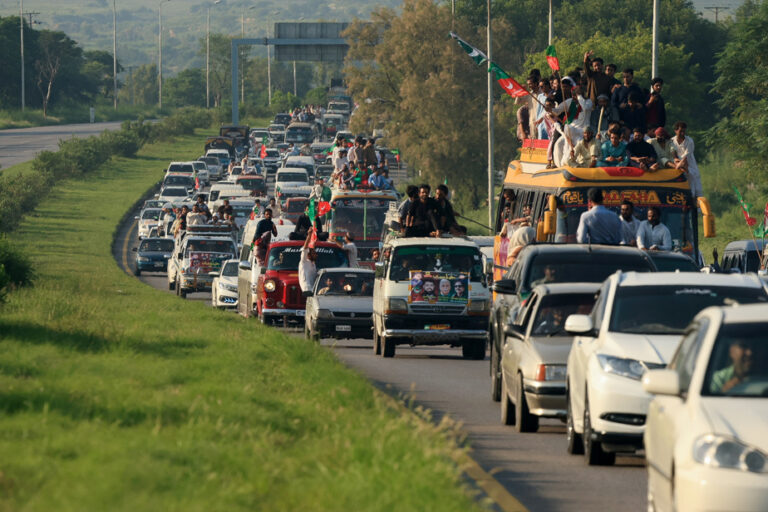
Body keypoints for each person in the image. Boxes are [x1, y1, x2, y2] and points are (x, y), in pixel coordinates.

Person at [671, 121, 703, 198]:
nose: (682, 133)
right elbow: (672, 152)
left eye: (684, 131)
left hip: (690, 166)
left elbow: (686, 156)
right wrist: (676, 160)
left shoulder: (689, 141)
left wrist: (680, 164)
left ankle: (698, 208)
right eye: (680, 131)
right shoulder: (671, 141)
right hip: (678, 167)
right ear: (675, 131)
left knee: (697, 189)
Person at [298, 230, 318, 296]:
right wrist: (309, 235)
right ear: (308, 255)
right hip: (307, 289)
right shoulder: (304, 262)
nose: (316, 255)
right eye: (313, 253)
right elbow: (305, 248)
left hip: (313, 290)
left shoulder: (313, 264)